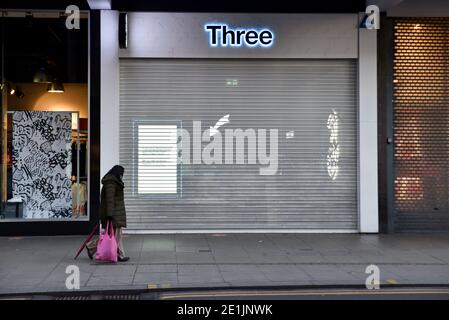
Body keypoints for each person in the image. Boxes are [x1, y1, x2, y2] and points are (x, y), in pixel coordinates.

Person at [86, 165, 129, 262]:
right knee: (115, 236)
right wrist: (110, 215)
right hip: (114, 214)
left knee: (111, 236)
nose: (122, 176)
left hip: (116, 213)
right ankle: (120, 255)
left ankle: (91, 247)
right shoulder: (111, 183)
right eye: (121, 174)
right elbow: (110, 200)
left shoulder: (113, 181)